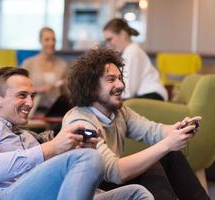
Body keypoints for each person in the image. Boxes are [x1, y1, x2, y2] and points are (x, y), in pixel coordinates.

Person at [0, 67, 154, 200]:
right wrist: (53, 147)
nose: (31, 103)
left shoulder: (27, 137)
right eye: (22, 95)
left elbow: (47, 177)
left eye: (32, 96)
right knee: (89, 158)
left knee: (137, 194)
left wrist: (71, 151)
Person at [62, 47, 210, 200]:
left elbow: (153, 131)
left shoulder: (119, 111)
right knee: (155, 162)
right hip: (95, 190)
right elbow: (114, 172)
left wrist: (178, 130)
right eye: (111, 80)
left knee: (170, 155)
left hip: (111, 180)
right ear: (90, 87)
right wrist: (167, 143)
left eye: (120, 78)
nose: (120, 85)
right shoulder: (80, 122)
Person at [103, 18, 168, 101]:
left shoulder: (132, 52)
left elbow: (128, 91)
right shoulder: (130, 51)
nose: (108, 44)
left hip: (153, 96)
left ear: (123, 34)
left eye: (110, 39)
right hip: (150, 95)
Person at [21, 27, 69, 114]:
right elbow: (20, 89)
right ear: (40, 41)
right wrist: (39, 89)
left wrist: (67, 85)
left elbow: (65, 93)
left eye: (53, 40)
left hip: (56, 113)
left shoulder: (63, 65)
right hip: (33, 111)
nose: (51, 43)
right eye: (47, 39)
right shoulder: (28, 63)